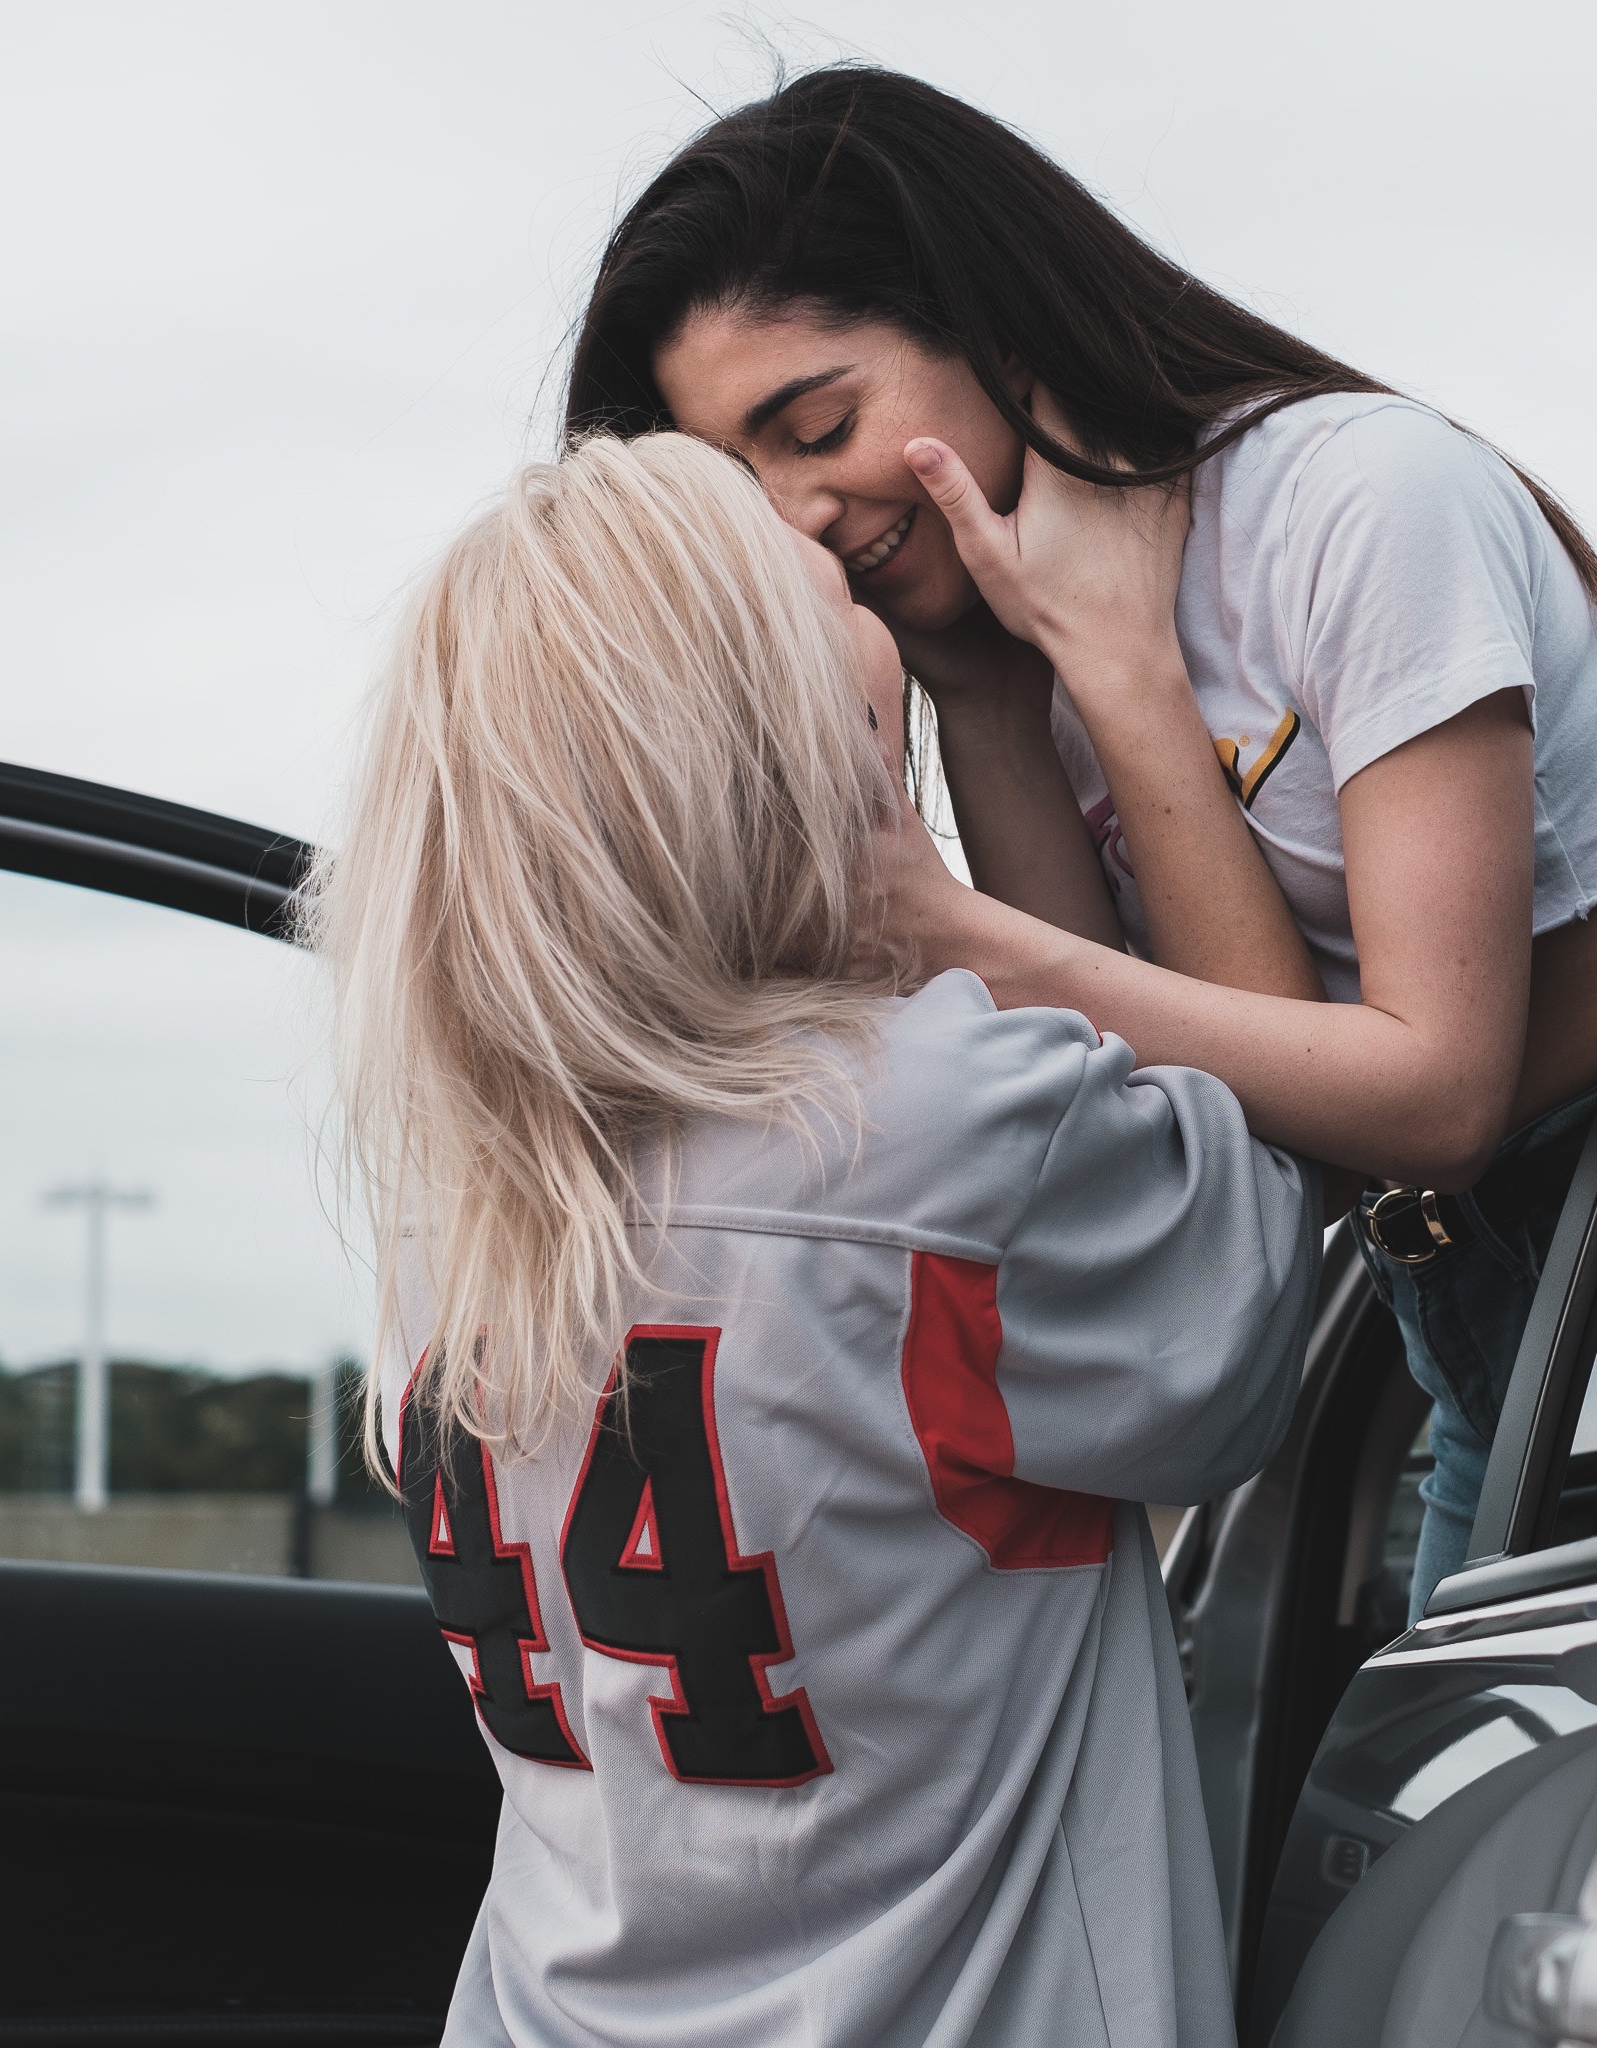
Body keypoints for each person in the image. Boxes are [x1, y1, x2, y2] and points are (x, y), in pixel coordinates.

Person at [568, 66, 1597, 1616]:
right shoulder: (998, 637)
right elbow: (1169, 1122)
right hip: (1483, 1310)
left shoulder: (1356, 504)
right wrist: (989, 685)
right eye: (741, 484)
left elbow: (1430, 1093)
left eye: (818, 424)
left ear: (988, 315)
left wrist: (967, 909)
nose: (801, 514)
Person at [305, 434, 1322, 2048]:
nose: (874, 594)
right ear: (773, 721)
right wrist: (1102, 676)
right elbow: (1277, 1192)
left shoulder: (463, 1193)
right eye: (833, 592)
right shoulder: (955, 1131)